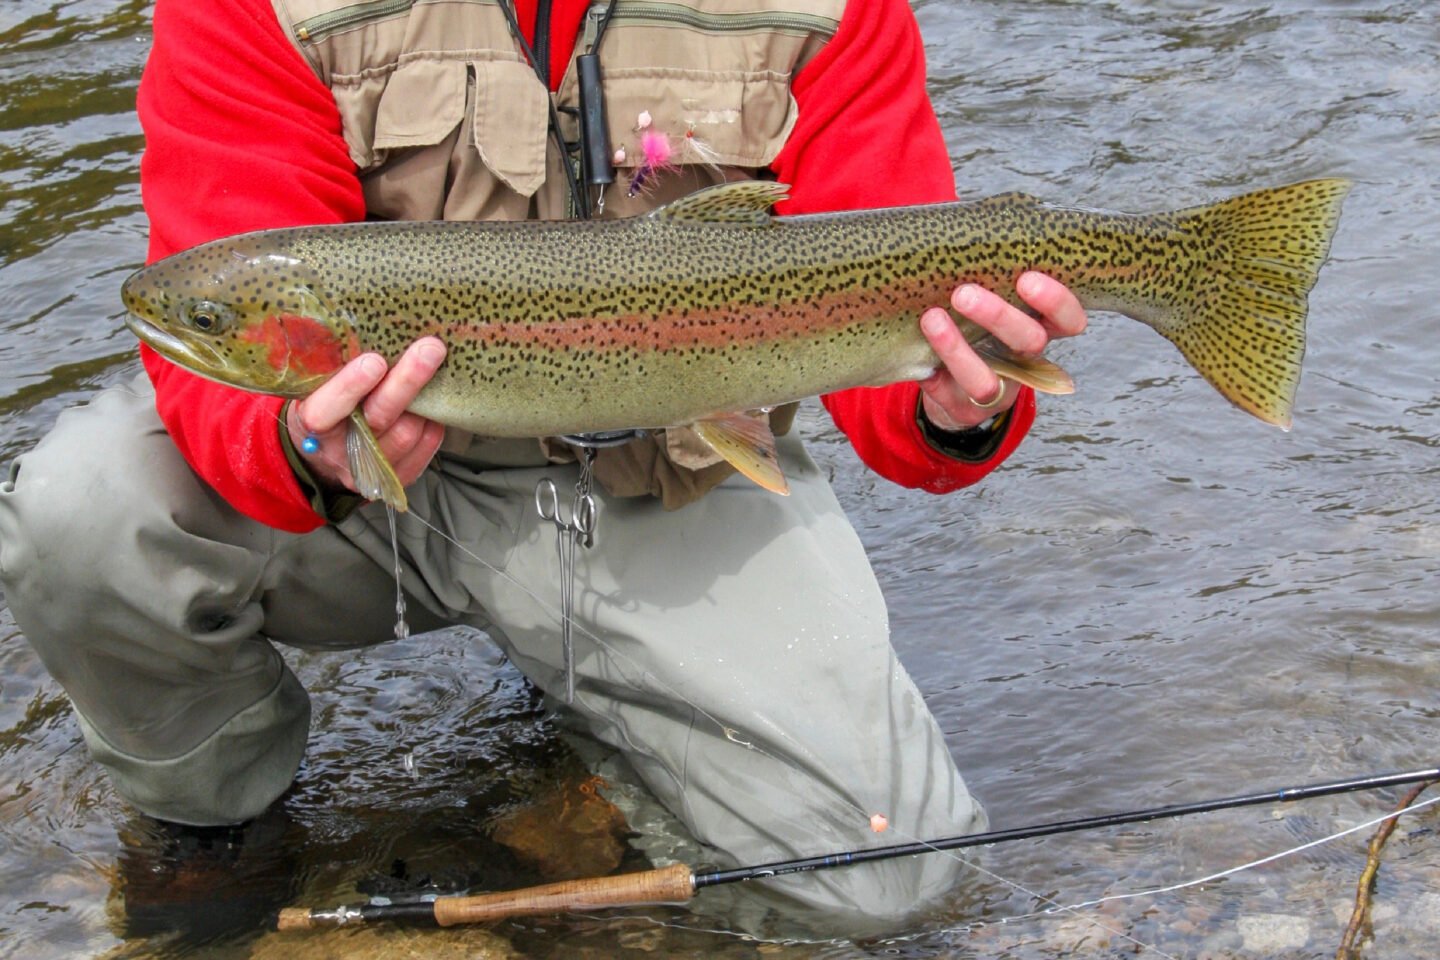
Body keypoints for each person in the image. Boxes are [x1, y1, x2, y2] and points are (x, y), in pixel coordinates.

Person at [0, 0, 1086, 934]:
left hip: (671, 476)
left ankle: (613, 738)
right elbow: (211, 337)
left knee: (884, 881)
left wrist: (952, 410)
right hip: (373, 491)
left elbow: (886, 372)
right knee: (81, 508)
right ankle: (213, 827)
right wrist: (294, 446)